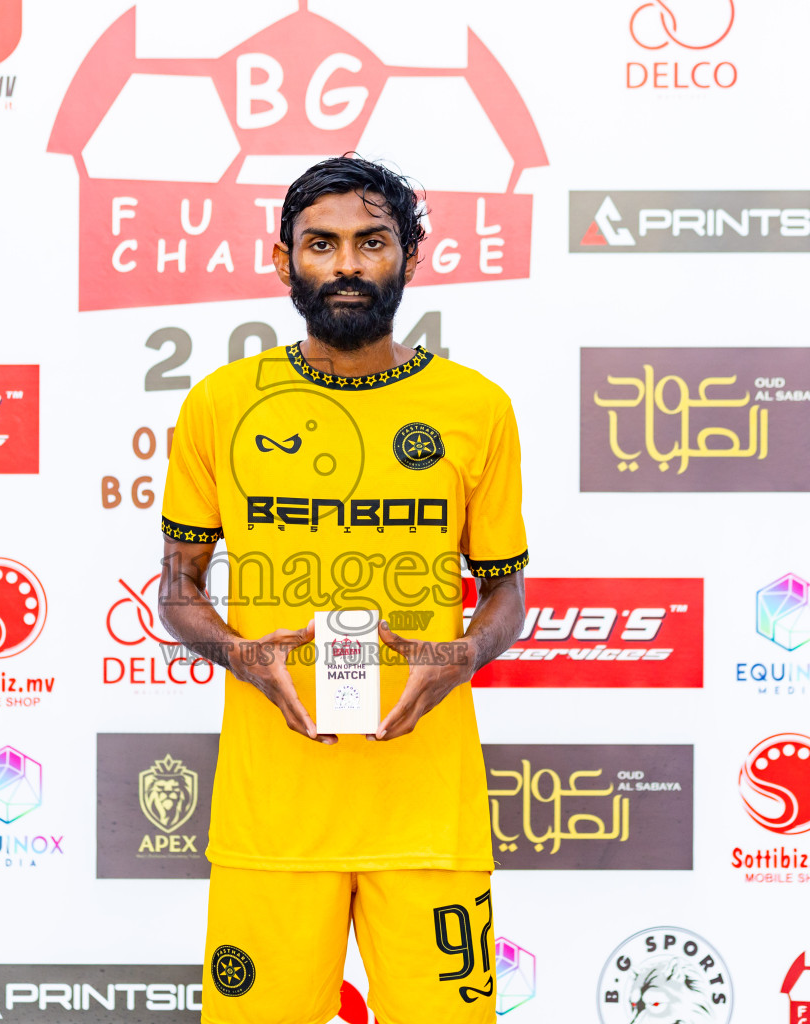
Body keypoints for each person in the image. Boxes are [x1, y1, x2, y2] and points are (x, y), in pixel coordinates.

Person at [157, 155, 528, 1024]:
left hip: (427, 820)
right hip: (274, 820)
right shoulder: (220, 404)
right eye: (322, 244)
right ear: (285, 261)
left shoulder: (476, 408)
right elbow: (178, 589)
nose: (349, 264)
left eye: (372, 241)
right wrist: (241, 654)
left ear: (411, 256)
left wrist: (464, 651)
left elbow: (507, 595)